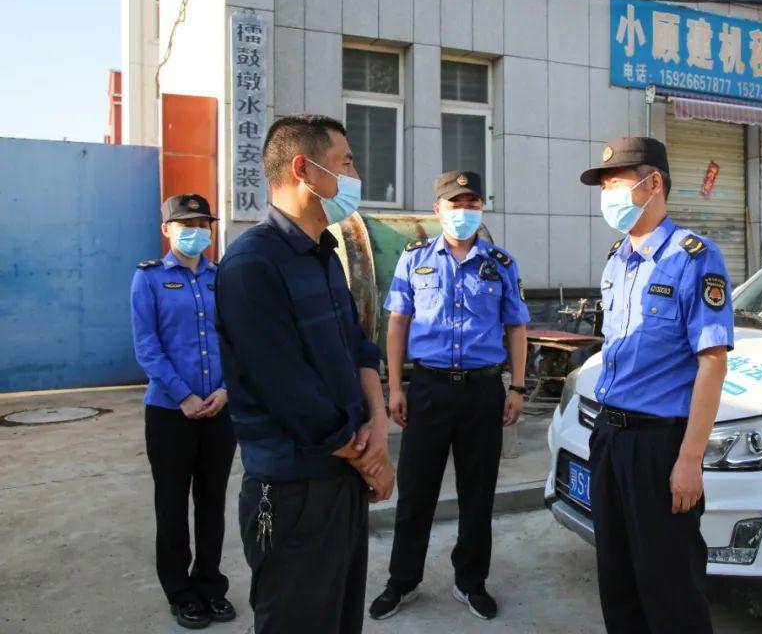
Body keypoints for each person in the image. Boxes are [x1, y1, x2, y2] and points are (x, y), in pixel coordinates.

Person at [214, 114, 395, 634]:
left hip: (343, 480)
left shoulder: (324, 255)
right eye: (346, 163)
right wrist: (370, 461)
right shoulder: (251, 264)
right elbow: (289, 392)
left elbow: (359, 346)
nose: (355, 176)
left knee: (340, 619)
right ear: (304, 169)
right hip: (293, 493)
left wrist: (378, 423)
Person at [578, 137, 733, 634]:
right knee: (617, 579)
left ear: (654, 183)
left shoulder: (694, 258)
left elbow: (712, 363)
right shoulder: (616, 260)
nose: (608, 195)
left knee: (670, 588)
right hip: (609, 436)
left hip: (659, 446)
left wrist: (690, 460)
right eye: (603, 186)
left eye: (616, 183)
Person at [369, 170, 530, 622]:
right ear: (437, 209)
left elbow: (516, 327)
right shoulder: (415, 259)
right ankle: (402, 581)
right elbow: (397, 323)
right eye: (455, 204)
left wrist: (517, 387)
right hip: (429, 390)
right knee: (416, 492)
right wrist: (395, 387)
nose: (464, 211)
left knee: (478, 494)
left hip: (483, 392)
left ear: (482, 208)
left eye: (472, 203)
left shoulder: (500, 262)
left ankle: (471, 581)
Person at [130, 193, 237, 630]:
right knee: (172, 505)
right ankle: (180, 592)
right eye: (186, 224)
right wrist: (183, 396)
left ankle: (210, 585)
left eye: (202, 224)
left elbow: (236, 338)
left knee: (212, 503)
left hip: (219, 411)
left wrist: (226, 390)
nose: (196, 231)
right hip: (170, 414)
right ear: (167, 230)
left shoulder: (223, 277)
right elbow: (147, 346)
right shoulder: (149, 279)